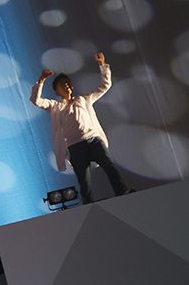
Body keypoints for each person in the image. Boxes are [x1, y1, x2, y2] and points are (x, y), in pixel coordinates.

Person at [30, 52, 133, 204]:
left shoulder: (84, 99)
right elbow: (36, 100)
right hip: (75, 146)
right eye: (62, 84)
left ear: (71, 86)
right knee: (84, 182)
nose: (66, 85)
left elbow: (105, 86)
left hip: (93, 140)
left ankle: (122, 191)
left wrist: (102, 65)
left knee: (110, 167)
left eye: (67, 83)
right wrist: (42, 80)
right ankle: (89, 205)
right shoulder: (56, 107)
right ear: (57, 91)